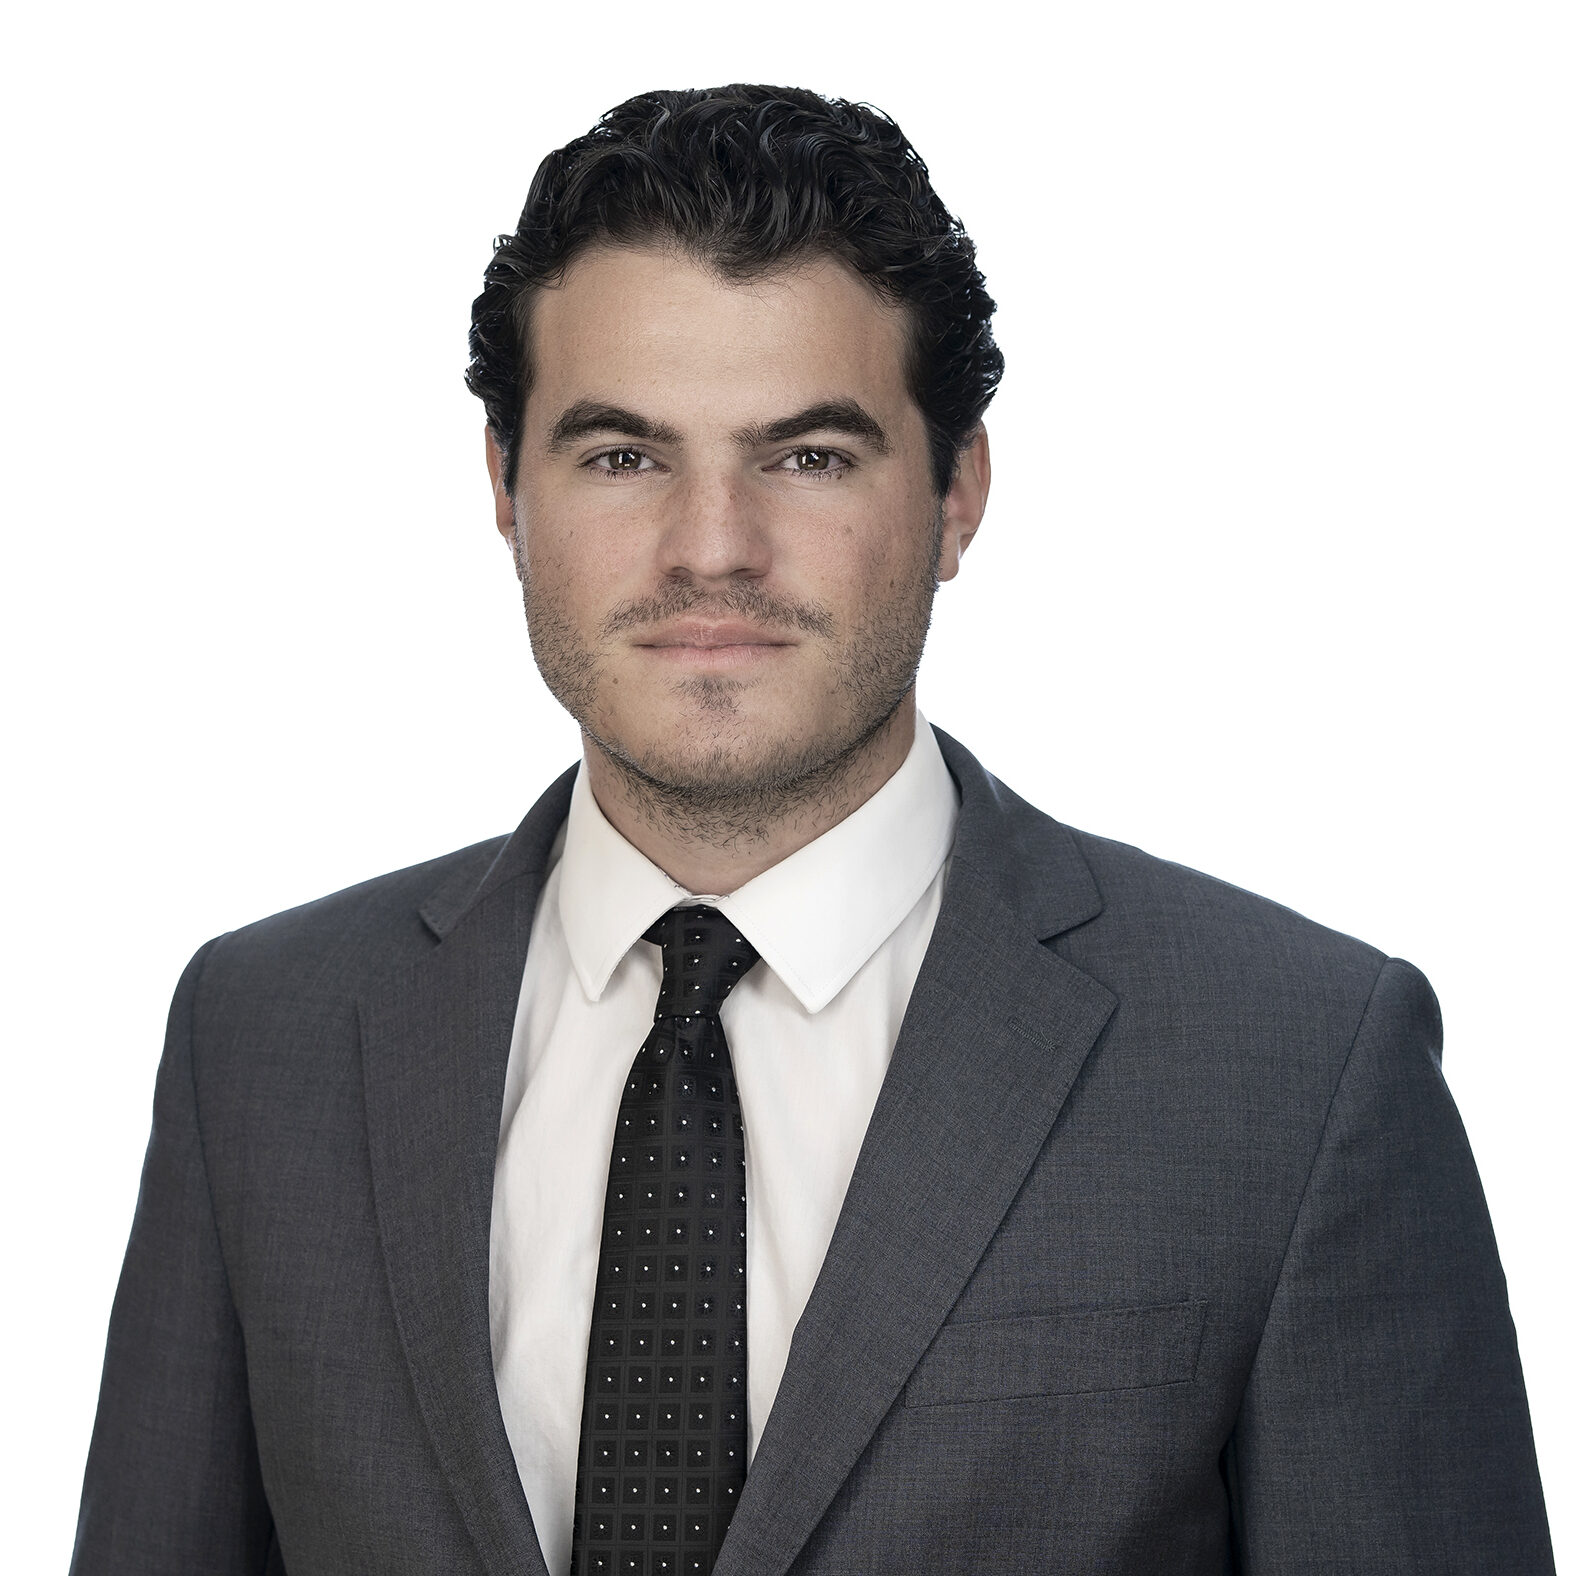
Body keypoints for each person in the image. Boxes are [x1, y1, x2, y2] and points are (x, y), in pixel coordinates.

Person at [72, 83, 1553, 1576]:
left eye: (809, 457)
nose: (713, 548)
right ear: (506, 492)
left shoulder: (1296, 1069)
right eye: (623, 455)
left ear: (960, 493)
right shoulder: (260, 1037)